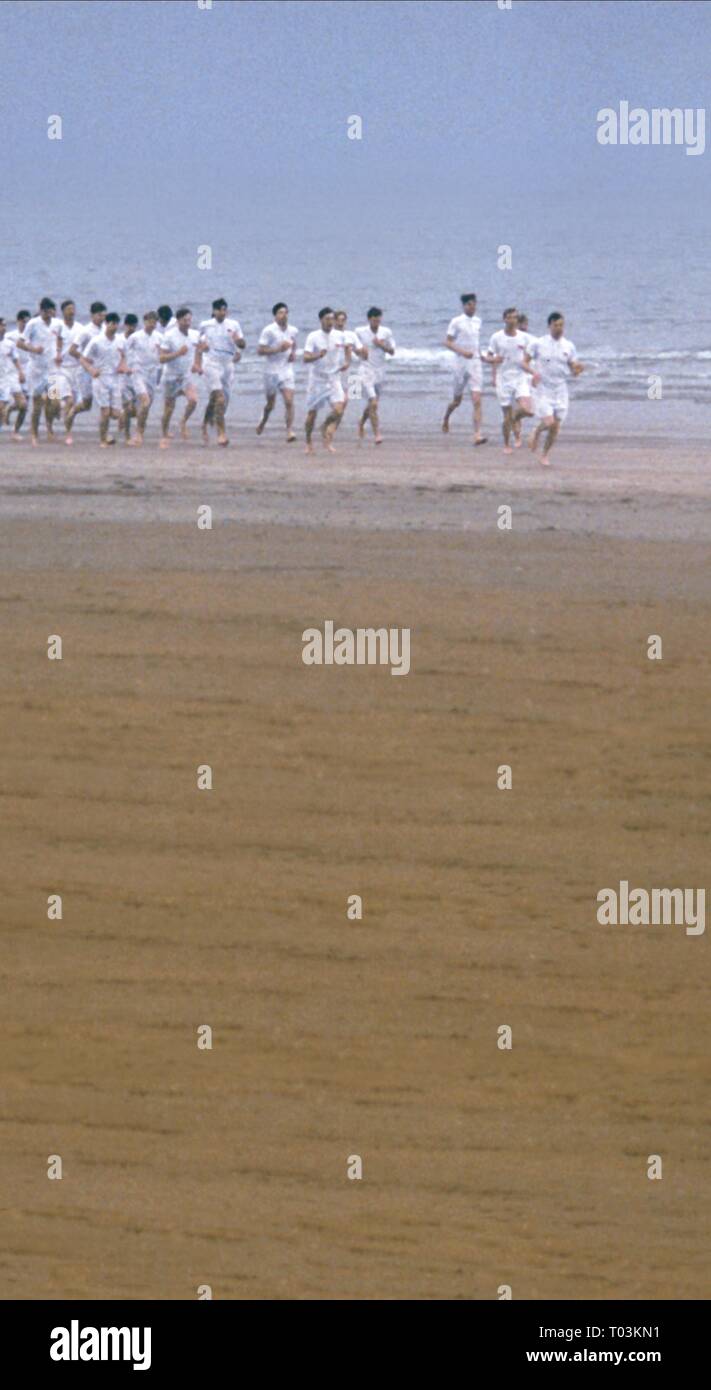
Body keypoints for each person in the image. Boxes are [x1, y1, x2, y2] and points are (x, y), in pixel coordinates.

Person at [525, 312, 584, 464]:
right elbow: (524, 362)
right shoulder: (538, 343)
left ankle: (544, 455)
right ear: (549, 326)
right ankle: (537, 431)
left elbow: (573, 368)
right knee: (550, 423)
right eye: (556, 325)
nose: (559, 328)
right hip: (543, 388)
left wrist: (578, 370)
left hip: (561, 389)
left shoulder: (568, 346)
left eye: (561, 325)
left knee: (556, 427)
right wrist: (533, 373)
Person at [195, 298, 244, 447]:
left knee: (218, 401)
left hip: (228, 365)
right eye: (219, 310)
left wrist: (238, 344)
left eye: (224, 310)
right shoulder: (205, 325)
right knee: (219, 398)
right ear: (214, 311)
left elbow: (242, 344)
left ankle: (205, 423)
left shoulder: (234, 325)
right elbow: (198, 345)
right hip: (211, 364)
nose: (222, 313)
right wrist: (197, 363)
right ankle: (221, 434)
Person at [484, 307, 534, 453]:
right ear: (504, 319)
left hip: (520, 377)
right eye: (510, 317)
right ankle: (507, 443)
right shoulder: (496, 337)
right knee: (506, 415)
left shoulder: (524, 337)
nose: (513, 320)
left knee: (527, 409)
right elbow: (488, 356)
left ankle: (513, 422)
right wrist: (493, 360)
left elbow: (537, 349)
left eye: (515, 317)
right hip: (503, 379)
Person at [442, 292, 487, 444]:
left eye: (474, 304)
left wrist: (482, 356)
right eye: (469, 304)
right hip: (460, 363)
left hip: (475, 363)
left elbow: (476, 342)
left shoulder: (478, 321)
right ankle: (447, 416)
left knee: (477, 400)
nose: (472, 307)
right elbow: (447, 342)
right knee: (457, 401)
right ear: (464, 306)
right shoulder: (456, 321)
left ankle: (477, 434)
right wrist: (462, 352)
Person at [302, 307, 349, 454]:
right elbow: (305, 357)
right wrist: (317, 356)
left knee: (339, 409)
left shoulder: (340, 336)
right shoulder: (313, 336)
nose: (330, 322)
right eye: (327, 319)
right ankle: (309, 442)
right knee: (312, 413)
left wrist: (347, 361)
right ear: (321, 320)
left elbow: (348, 348)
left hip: (333, 378)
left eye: (332, 319)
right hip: (317, 380)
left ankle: (325, 429)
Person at [17, 297, 62, 445]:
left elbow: (60, 338)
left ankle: (49, 428)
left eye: (51, 312)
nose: (49, 315)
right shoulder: (33, 323)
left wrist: (59, 353)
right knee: (37, 405)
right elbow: (20, 343)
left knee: (55, 402)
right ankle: (35, 434)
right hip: (36, 370)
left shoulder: (57, 323)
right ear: (41, 311)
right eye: (47, 312)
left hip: (52, 369)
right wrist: (34, 349)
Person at [79, 312, 128, 447]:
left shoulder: (121, 341)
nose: (115, 326)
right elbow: (82, 358)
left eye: (117, 324)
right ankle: (103, 439)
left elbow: (125, 356)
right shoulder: (96, 340)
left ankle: (121, 416)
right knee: (105, 411)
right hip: (101, 378)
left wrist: (123, 365)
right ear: (106, 324)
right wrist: (91, 369)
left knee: (115, 413)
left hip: (116, 378)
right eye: (112, 323)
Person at [256, 302, 298, 441]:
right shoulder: (269, 330)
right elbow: (260, 350)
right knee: (270, 404)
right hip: (271, 371)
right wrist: (277, 349)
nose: (284, 315)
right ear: (275, 315)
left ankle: (289, 431)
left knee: (289, 401)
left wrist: (293, 353)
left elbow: (294, 342)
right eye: (280, 312)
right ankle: (263, 421)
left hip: (286, 370)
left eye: (286, 312)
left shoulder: (292, 330)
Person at [159, 307, 200, 447]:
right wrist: (177, 353)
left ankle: (183, 421)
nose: (187, 323)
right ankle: (164, 434)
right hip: (171, 376)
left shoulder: (195, 334)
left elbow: (199, 351)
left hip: (186, 375)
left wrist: (198, 365)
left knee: (193, 400)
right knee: (169, 408)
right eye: (184, 320)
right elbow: (162, 358)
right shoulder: (169, 335)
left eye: (189, 320)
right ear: (178, 321)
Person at [355, 306, 395, 444]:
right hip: (365, 370)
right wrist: (360, 351)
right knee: (373, 402)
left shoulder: (386, 332)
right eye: (374, 320)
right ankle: (377, 434)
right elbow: (353, 347)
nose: (376, 322)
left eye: (378, 320)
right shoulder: (360, 332)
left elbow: (392, 351)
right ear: (369, 319)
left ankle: (361, 422)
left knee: (374, 404)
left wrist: (381, 345)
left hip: (380, 371)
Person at [66, 302, 107, 432]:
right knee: (86, 404)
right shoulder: (85, 331)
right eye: (99, 315)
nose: (102, 318)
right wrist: (84, 357)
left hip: (100, 371)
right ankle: (71, 413)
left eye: (104, 315)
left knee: (105, 402)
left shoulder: (105, 328)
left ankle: (104, 434)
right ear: (92, 315)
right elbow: (72, 350)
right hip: (84, 371)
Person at [123, 310, 162, 446]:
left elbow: (161, 356)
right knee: (144, 402)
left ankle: (138, 431)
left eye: (154, 321)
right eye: (150, 321)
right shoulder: (135, 337)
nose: (152, 324)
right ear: (144, 322)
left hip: (152, 375)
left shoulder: (158, 337)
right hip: (137, 373)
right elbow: (123, 352)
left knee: (144, 407)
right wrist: (125, 368)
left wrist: (160, 375)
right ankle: (137, 433)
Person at [48, 299, 84, 445]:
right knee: (54, 401)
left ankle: (68, 432)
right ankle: (49, 426)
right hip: (55, 369)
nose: (72, 311)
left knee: (70, 401)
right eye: (69, 309)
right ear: (63, 311)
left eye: (73, 308)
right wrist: (57, 353)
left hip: (74, 369)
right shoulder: (56, 325)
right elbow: (55, 339)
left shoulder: (80, 328)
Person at [330, 310, 366, 434]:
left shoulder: (351, 335)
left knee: (346, 402)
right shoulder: (330, 335)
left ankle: (332, 429)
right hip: (334, 373)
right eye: (338, 320)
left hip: (350, 373)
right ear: (333, 321)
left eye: (343, 320)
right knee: (340, 401)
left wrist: (362, 350)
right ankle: (329, 428)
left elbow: (361, 352)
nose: (340, 323)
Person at [0, 316, 27, 439]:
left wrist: (21, 372)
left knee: (23, 405)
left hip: (12, 377)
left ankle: (15, 432)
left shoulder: (9, 344)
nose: (3, 328)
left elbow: (15, 359)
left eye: (4, 325)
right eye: (1, 326)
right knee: (1, 408)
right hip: (1, 381)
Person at [118, 314, 139, 442]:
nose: (132, 328)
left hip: (136, 377)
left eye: (134, 326)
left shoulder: (137, 338)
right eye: (130, 326)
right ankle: (127, 435)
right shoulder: (119, 339)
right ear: (125, 325)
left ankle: (122, 415)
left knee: (136, 409)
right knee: (128, 406)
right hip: (122, 378)